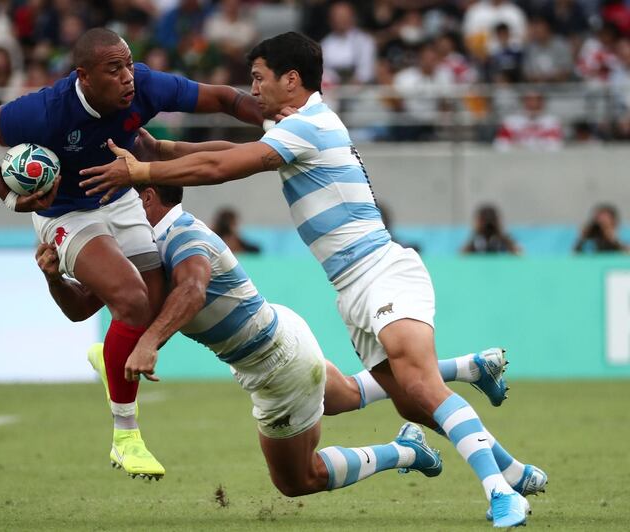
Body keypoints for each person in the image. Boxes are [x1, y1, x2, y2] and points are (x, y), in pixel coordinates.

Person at [79, 32, 542, 527]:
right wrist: (165, 147)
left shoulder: (310, 125)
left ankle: (501, 494)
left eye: (258, 78)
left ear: (291, 80)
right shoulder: (297, 128)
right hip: (353, 289)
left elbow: (223, 165)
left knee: (420, 387)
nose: (251, 91)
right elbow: (229, 150)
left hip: (382, 271)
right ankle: (506, 456)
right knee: (412, 402)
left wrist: (144, 170)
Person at [36, 184, 537, 499]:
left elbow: (192, 288)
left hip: (275, 365)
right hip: (283, 334)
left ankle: (406, 452)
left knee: (299, 481)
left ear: (146, 198)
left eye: (118, 195)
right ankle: (469, 367)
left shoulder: (182, 234)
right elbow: (83, 307)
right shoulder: (140, 252)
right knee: (349, 395)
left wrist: (148, 343)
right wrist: (55, 277)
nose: (109, 206)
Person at [0, 27, 264, 481]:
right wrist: (11, 198)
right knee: (134, 302)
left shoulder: (145, 86)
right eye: (114, 69)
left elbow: (223, 98)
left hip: (119, 195)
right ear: (84, 77)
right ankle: (127, 437)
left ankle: (111, 357)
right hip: (65, 215)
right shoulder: (42, 111)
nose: (128, 78)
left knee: (150, 303)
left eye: (128, 64)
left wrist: (281, 123)